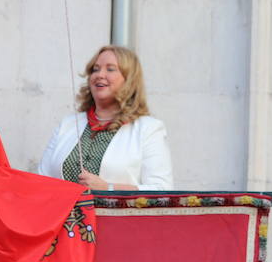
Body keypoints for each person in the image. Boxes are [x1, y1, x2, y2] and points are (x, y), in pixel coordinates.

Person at [37, 45, 172, 191]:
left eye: (110, 69)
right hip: (64, 213)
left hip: (113, 214)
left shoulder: (148, 129)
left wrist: (109, 187)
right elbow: (41, 179)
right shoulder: (68, 124)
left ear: (129, 79)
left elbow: (161, 189)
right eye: (95, 69)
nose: (100, 75)